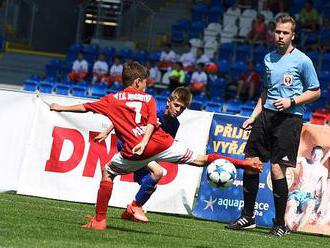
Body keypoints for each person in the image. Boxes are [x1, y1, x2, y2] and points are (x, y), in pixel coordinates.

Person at [50, 62, 263, 230]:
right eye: (145, 81)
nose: (147, 84)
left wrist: (60, 107)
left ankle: (100, 220)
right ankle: (245, 164)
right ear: (138, 82)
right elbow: (152, 122)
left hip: (135, 148)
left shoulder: (112, 99)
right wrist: (142, 140)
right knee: (200, 159)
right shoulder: (150, 99)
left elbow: (85, 107)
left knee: (107, 172)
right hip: (159, 143)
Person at [226, 15, 321, 237]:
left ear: (293, 35)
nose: (280, 36)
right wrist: (252, 116)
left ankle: (280, 224)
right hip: (265, 116)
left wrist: (292, 101)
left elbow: (316, 91)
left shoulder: (303, 61)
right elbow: (266, 92)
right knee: (251, 163)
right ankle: (248, 217)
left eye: (285, 33)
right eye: (278, 32)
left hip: (289, 119)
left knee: (277, 168)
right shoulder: (268, 58)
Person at [93, 87, 192, 222]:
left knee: (151, 185)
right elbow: (127, 119)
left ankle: (129, 212)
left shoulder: (175, 124)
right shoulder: (155, 111)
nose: (178, 110)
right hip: (129, 144)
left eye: (182, 108)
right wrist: (107, 131)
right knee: (157, 172)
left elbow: (163, 146)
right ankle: (132, 207)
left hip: (146, 152)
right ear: (169, 101)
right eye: (176, 105)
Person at [285, 146, 329, 231]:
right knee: (290, 208)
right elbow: (291, 159)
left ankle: (298, 230)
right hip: (296, 192)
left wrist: (322, 204)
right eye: (314, 154)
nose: (316, 157)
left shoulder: (323, 170)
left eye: (319, 155)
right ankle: (287, 228)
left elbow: (324, 189)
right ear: (311, 154)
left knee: (310, 206)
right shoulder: (303, 161)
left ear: (322, 155)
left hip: (308, 196)